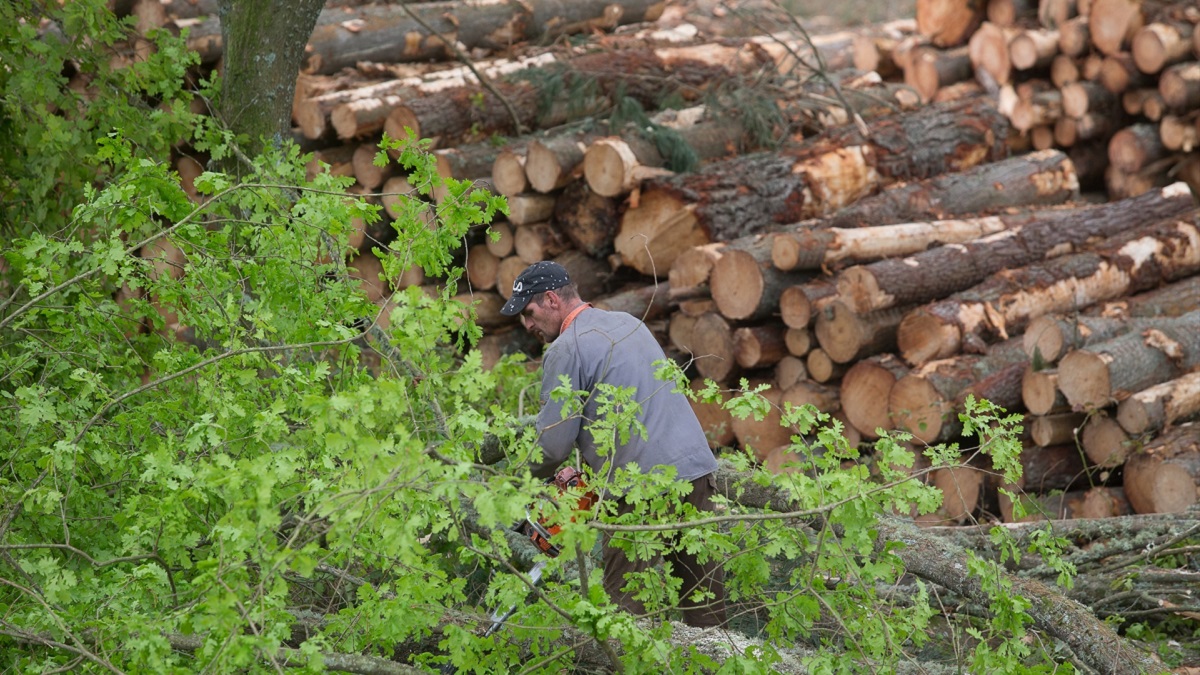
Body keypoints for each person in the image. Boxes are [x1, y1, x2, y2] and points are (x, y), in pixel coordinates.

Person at [499, 260, 727, 628]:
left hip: (637, 492)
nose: (527, 325)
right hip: (696, 473)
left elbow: (552, 446)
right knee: (706, 608)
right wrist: (589, 473)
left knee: (625, 618)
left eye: (529, 312)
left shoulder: (565, 349)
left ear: (553, 299)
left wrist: (518, 485)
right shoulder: (629, 324)